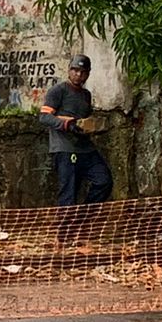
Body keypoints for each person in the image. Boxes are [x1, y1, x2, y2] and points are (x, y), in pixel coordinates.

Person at [41, 54, 113, 208]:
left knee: (104, 181)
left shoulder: (86, 95)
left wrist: (91, 127)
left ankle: (83, 218)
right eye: (75, 70)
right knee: (68, 194)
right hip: (65, 149)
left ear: (88, 74)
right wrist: (68, 125)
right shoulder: (58, 90)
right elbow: (44, 117)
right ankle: (66, 231)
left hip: (85, 148)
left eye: (83, 72)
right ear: (69, 70)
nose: (78, 75)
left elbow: (85, 121)